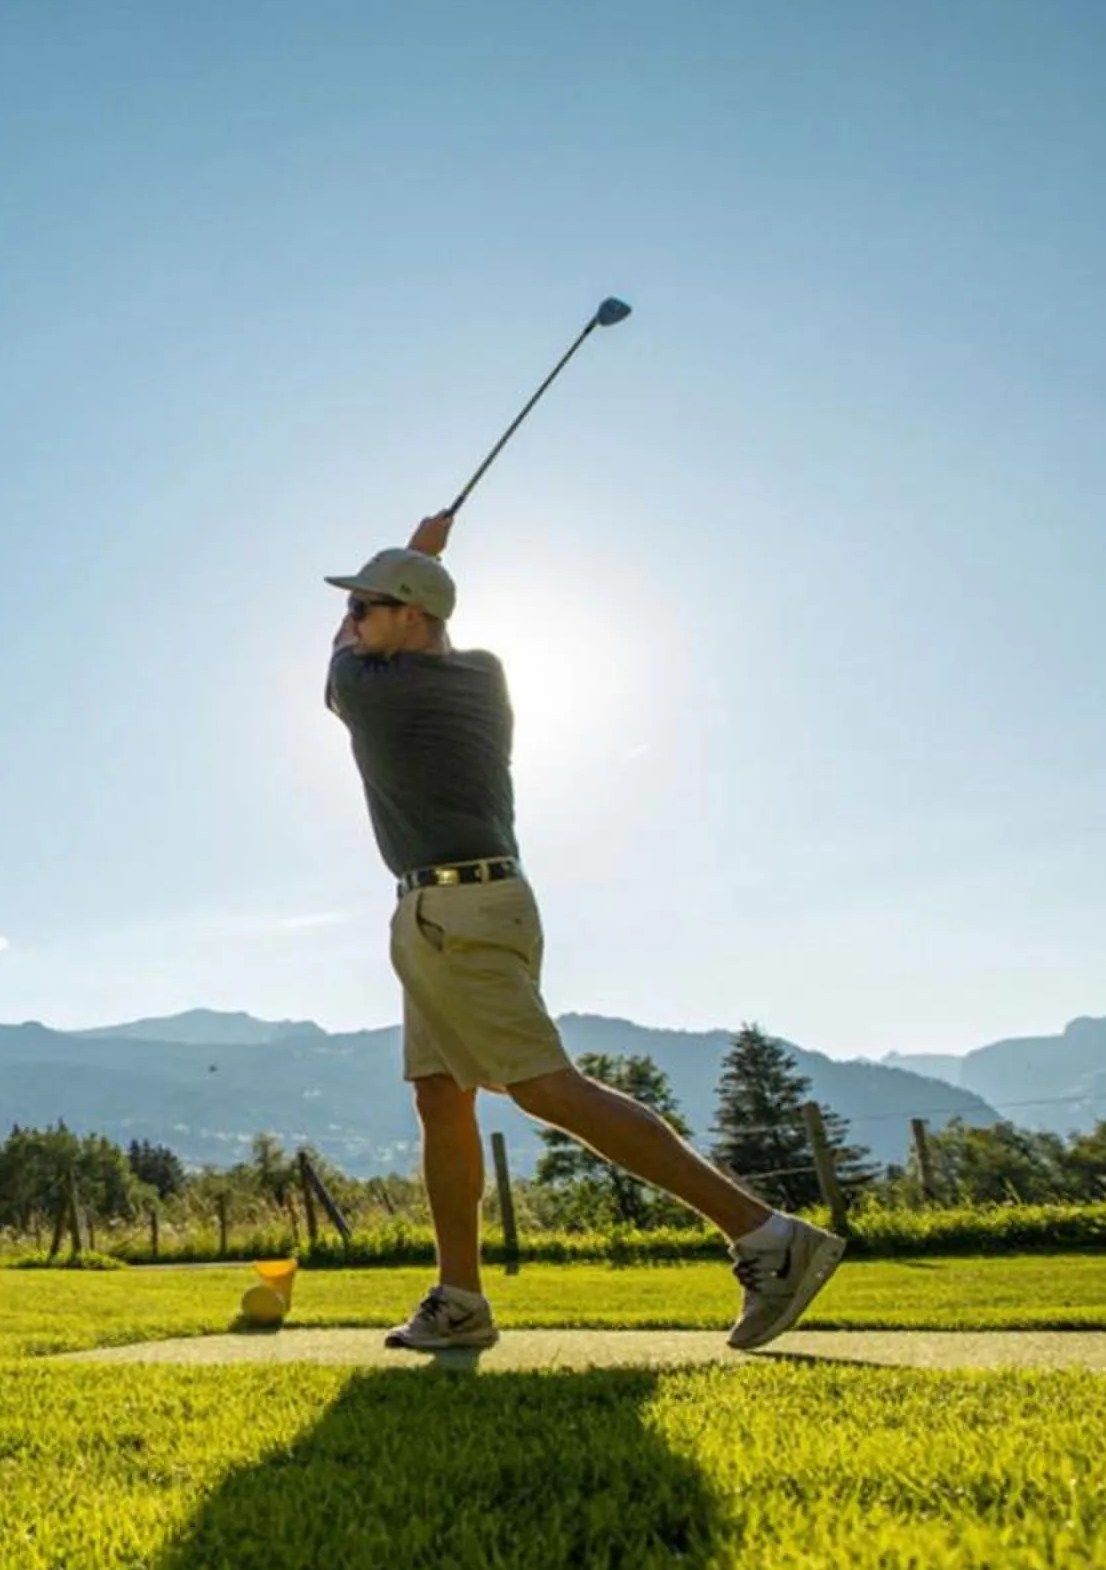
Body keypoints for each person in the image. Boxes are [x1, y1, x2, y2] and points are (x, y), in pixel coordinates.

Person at [322, 508, 843, 1352]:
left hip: (459, 915)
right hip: (459, 907)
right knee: (439, 1095)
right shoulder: (482, 674)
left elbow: (335, 666)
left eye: (364, 607)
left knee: (545, 1087)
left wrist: (416, 551)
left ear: (411, 617)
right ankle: (460, 1298)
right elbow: (367, 642)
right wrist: (410, 566)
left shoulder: (383, 692)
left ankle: (766, 1236)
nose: (350, 620)